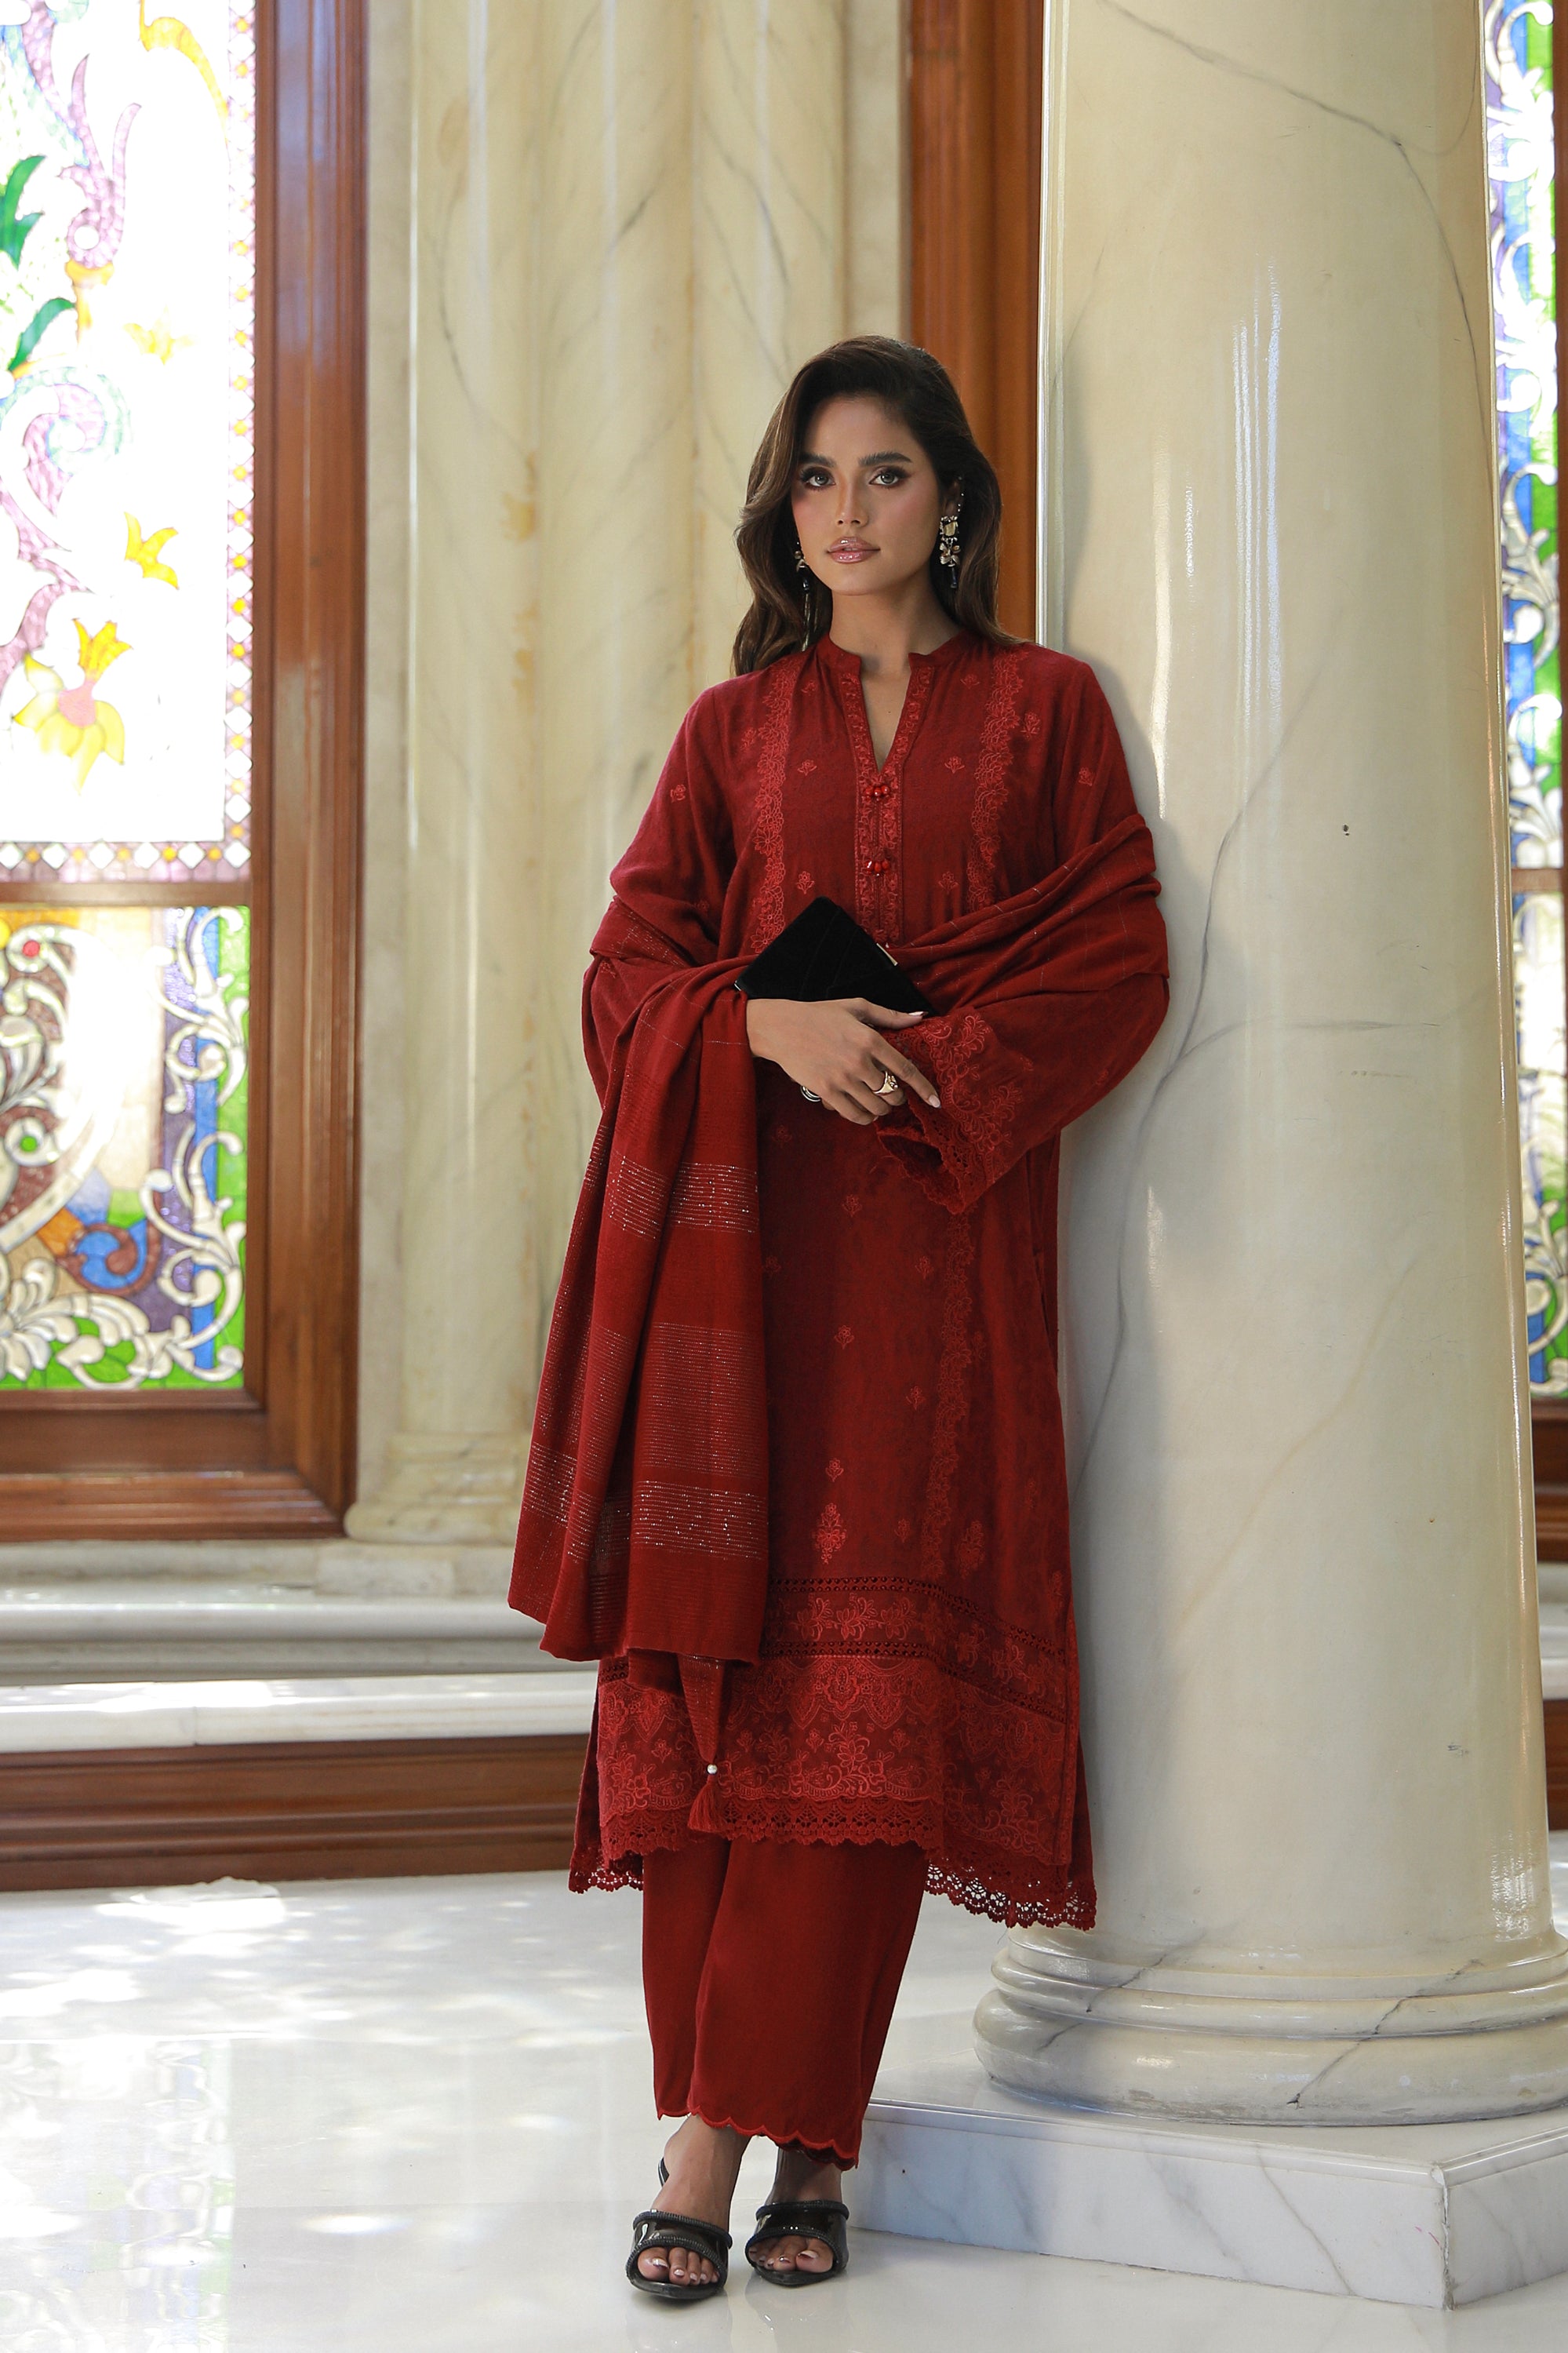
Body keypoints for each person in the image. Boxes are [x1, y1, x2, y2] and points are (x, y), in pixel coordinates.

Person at [510, 337, 1168, 2300]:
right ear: (782, 510)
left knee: (863, 1715)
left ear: (948, 497)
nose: (848, 511)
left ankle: (737, 2143)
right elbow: (629, 971)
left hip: (936, 1265)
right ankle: (767, 2137)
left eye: (883, 474)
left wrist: (920, 1069)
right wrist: (764, 1026)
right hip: (737, 1273)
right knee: (723, 1696)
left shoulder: (1047, 713)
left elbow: (1113, 952)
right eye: (815, 478)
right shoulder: (734, 733)